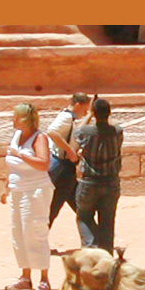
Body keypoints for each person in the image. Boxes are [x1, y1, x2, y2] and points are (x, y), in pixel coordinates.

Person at [2, 103, 54, 290]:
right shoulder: (17, 135)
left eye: (15, 116)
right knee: (19, 233)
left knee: (35, 231)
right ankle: (25, 276)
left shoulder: (39, 138)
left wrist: (21, 154)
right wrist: (7, 185)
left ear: (23, 118)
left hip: (35, 191)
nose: (12, 120)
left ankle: (44, 278)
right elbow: (13, 164)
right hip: (17, 190)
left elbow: (43, 164)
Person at [74, 98, 124, 251]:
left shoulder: (86, 132)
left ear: (95, 113)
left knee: (84, 217)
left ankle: (91, 248)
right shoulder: (118, 131)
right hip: (111, 182)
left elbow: (77, 132)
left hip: (90, 181)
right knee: (108, 222)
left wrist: (89, 115)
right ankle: (107, 257)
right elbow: (112, 125)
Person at [46, 93, 93, 231]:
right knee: (57, 205)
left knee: (77, 203)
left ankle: (93, 236)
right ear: (78, 105)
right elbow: (52, 132)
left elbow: (76, 132)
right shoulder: (66, 117)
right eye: (84, 110)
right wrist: (70, 151)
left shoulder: (69, 117)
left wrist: (90, 116)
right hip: (63, 167)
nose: (84, 113)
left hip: (66, 167)